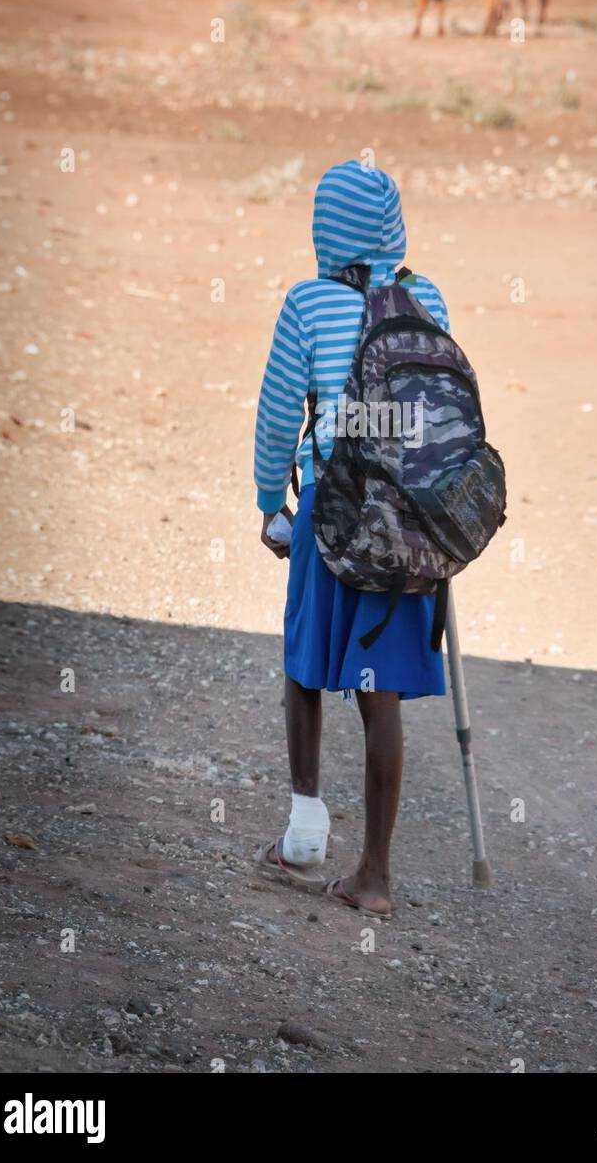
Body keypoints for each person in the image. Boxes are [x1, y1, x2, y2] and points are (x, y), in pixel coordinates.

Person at [253, 159, 451, 918]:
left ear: (322, 230)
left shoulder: (307, 303)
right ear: (394, 228)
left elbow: (278, 418)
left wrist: (274, 503)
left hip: (331, 512)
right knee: (380, 693)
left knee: (305, 666)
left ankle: (304, 832)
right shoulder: (425, 296)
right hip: (407, 522)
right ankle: (375, 875)